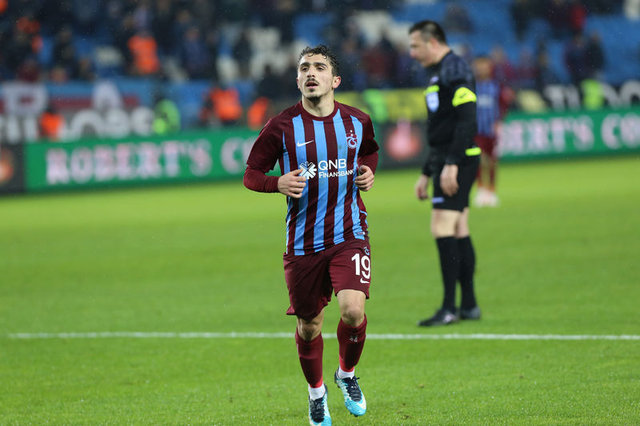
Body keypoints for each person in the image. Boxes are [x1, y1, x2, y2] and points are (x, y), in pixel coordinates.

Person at [244, 45, 378, 426]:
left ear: (335, 80)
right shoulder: (281, 126)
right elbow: (251, 174)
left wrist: (368, 172)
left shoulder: (357, 121)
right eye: (304, 68)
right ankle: (317, 393)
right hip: (303, 243)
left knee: (353, 311)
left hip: (349, 232)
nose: (311, 73)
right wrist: (277, 183)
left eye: (319, 67)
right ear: (298, 79)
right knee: (309, 326)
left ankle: (347, 375)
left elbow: (370, 152)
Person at [408, 20, 481, 326]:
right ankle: (469, 305)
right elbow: (442, 128)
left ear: (433, 42)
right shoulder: (439, 71)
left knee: (442, 227)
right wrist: (427, 171)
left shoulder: (455, 69)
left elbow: (467, 120)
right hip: (447, 158)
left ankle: (449, 308)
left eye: (415, 46)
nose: (412, 53)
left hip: (457, 160)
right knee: (459, 227)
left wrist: (451, 163)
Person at [472, 56, 503, 207]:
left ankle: (492, 191)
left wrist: (499, 122)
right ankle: (481, 190)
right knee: (478, 159)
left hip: (491, 131)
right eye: (479, 66)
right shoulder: (471, 87)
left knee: (492, 161)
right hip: (476, 130)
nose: (481, 69)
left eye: (484, 66)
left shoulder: (496, 86)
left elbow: (503, 106)